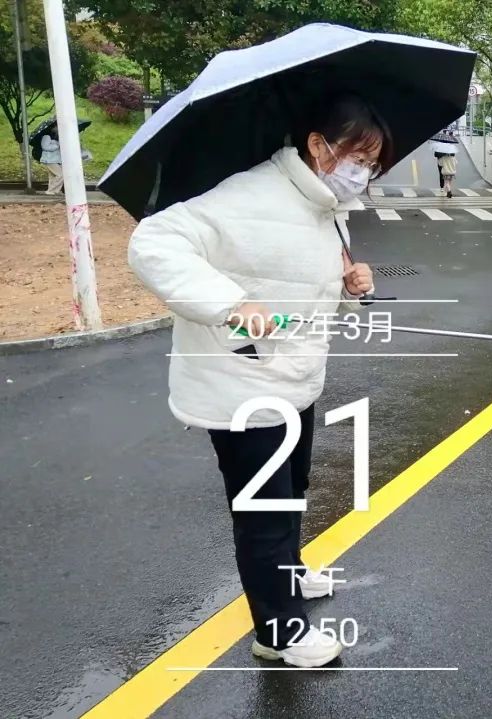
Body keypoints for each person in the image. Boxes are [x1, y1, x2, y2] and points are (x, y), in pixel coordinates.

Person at [128, 94, 392, 666]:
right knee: (263, 515)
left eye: (371, 165)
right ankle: (279, 634)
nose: (363, 173)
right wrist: (230, 304)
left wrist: (350, 284)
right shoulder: (248, 194)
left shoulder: (327, 207)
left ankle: (287, 573)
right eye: (358, 158)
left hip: (294, 379)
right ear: (318, 144)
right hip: (242, 384)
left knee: (290, 492)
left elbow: (304, 287)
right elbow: (153, 242)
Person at [39, 131, 64, 195]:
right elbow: (44, 147)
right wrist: (57, 146)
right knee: (61, 175)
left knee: (53, 176)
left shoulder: (57, 137)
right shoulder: (47, 136)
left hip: (55, 159)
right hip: (49, 159)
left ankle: (53, 191)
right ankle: (51, 190)